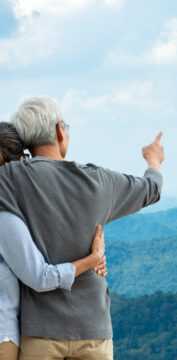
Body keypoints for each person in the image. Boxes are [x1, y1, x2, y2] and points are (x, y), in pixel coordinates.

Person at [0, 96, 164, 359]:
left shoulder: (10, 178)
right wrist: (153, 161)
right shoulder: (101, 182)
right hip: (93, 329)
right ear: (59, 131)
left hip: (39, 332)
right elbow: (151, 190)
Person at [0, 122, 108, 360]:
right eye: (26, 158)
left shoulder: (17, 210)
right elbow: (41, 277)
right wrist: (91, 260)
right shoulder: (5, 216)